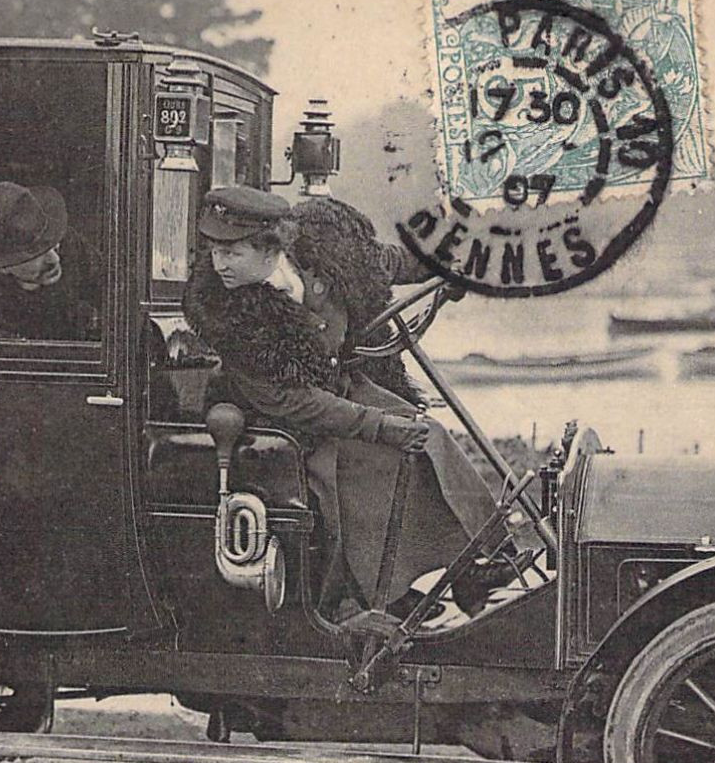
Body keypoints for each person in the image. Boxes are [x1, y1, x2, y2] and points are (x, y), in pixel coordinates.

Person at [183, 185, 516, 621]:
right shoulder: (229, 313)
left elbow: (383, 263)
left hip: (336, 385)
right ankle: (365, 597)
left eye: (233, 253)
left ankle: (483, 562)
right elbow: (293, 401)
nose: (219, 264)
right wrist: (380, 426)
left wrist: (446, 266)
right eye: (214, 251)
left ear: (271, 248)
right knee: (369, 457)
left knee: (426, 432)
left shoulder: (320, 251)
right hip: (273, 418)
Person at [0, 180, 100, 341]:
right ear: (0, 267)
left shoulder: (72, 245)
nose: (55, 259)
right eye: (35, 253)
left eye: (52, 244)